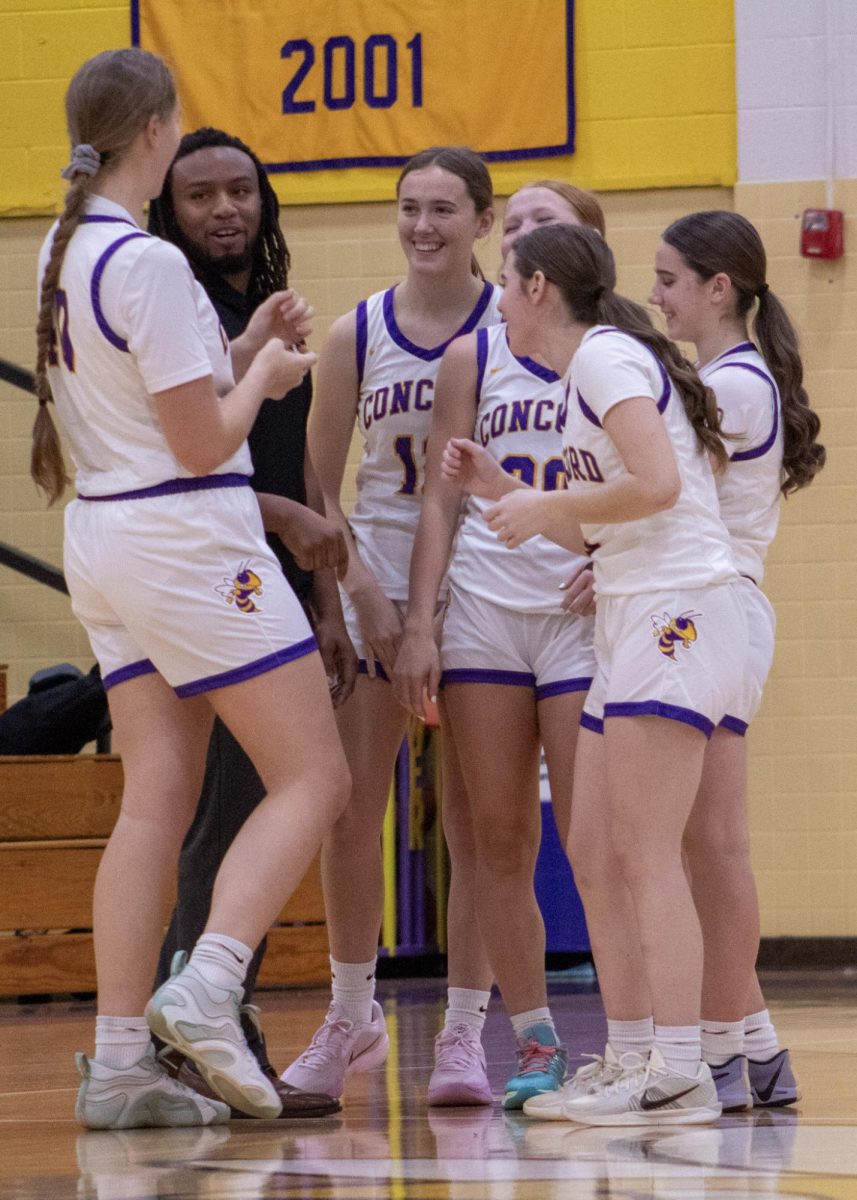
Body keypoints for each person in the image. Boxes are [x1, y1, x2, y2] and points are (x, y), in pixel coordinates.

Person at [33, 48, 350, 1129]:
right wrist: (265, 378)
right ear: (159, 131)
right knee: (314, 774)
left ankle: (121, 1062)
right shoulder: (151, 265)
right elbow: (203, 437)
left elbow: (155, 392)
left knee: (155, 797)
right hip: (186, 535)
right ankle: (210, 984)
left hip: (107, 538)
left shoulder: (61, 247)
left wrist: (246, 342)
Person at [443, 221, 745, 1126]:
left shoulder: (605, 359)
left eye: (503, 281)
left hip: (676, 608)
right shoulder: (587, 376)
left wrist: (551, 502)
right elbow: (595, 523)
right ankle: (629, 1056)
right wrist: (508, 491)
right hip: (628, 614)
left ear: (538, 289)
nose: (495, 301)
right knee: (596, 851)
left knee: (645, 850)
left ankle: (683, 1069)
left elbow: (656, 485)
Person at [280, 146, 500, 1101]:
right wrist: (356, 592)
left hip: (481, 593)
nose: (423, 226)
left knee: (477, 825)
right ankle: (349, 1011)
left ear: (482, 222)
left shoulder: (514, 332)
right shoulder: (355, 332)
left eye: (444, 209)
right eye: (409, 206)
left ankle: (463, 1031)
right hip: (376, 587)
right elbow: (318, 480)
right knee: (345, 806)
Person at [145, 126, 356, 1118]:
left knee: (257, 807)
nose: (224, 209)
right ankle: (197, 1030)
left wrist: (330, 600)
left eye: (240, 191)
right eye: (200, 196)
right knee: (222, 815)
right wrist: (286, 519)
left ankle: (204, 1026)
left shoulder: (265, 314)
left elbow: (287, 452)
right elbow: (194, 463)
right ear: (168, 209)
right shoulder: (170, 311)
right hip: (207, 578)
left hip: (272, 585)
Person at [393, 181, 604, 1109]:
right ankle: (531, 1044)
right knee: (498, 842)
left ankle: (643, 1039)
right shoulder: (470, 357)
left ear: (583, 247)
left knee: (596, 840)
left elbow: (661, 480)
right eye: (510, 223)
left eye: (541, 221)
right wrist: (419, 618)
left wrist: (621, 556)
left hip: (575, 613)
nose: (519, 235)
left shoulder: (619, 352)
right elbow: (439, 499)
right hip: (483, 613)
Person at [649, 210, 824, 1109]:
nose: (656, 296)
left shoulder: (733, 386)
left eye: (670, 279)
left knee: (711, 847)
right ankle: (754, 1049)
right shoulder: (729, 377)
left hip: (714, 607)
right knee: (703, 846)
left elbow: (664, 500)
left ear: (720, 289)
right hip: (717, 611)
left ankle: (718, 1048)